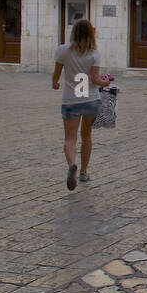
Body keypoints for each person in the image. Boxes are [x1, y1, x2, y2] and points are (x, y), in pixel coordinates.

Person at [52, 19, 111, 190]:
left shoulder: (63, 50)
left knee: (70, 138)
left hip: (71, 100)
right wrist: (106, 82)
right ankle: (84, 172)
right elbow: (95, 79)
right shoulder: (94, 54)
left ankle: (72, 165)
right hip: (91, 99)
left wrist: (55, 83)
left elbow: (57, 73)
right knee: (86, 136)